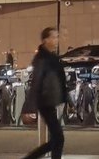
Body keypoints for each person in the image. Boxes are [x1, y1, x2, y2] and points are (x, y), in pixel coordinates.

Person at [22, 27, 66, 159]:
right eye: (54, 37)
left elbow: (59, 80)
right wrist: (28, 109)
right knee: (58, 138)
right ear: (46, 40)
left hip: (50, 101)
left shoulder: (52, 57)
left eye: (57, 37)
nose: (57, 40)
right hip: (45, 102)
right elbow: (36, 83)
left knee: (57, 139)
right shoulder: (42, 58)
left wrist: (68, 98)